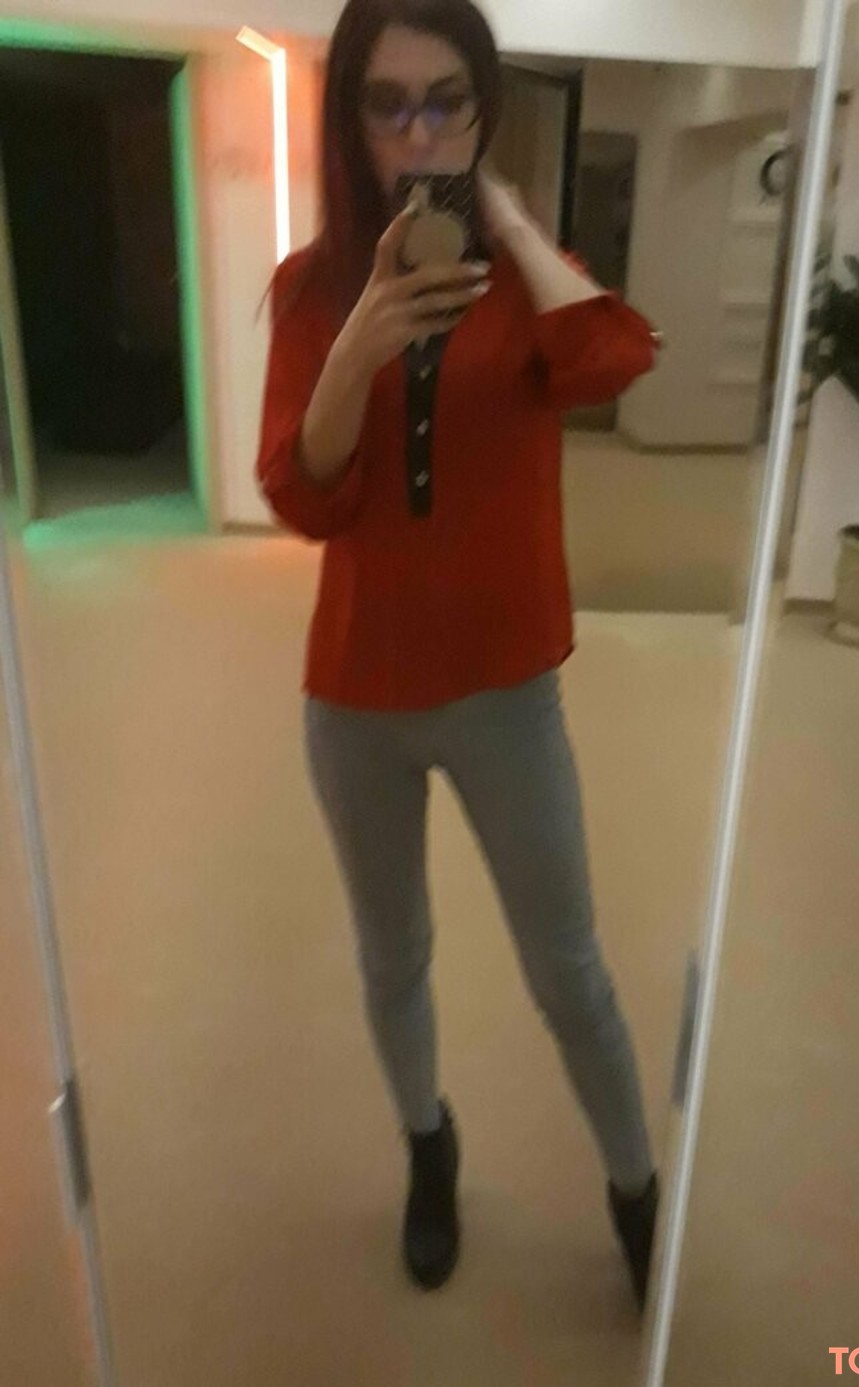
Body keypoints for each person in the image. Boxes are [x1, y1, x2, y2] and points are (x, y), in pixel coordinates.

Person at [255, 0, 662, 1311]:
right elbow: (304, 496)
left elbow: (614, 359)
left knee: (570, 970)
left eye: (447, 102)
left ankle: (636, 1189)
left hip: (505, 695)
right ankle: (428, 1146)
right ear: (350, 122)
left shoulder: (534, 281)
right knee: (394, 958)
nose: (417, 131)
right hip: (356, 699)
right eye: (388, 104)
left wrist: (515, 225)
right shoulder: (312, 291)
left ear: (485, 113)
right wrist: (360, 339)